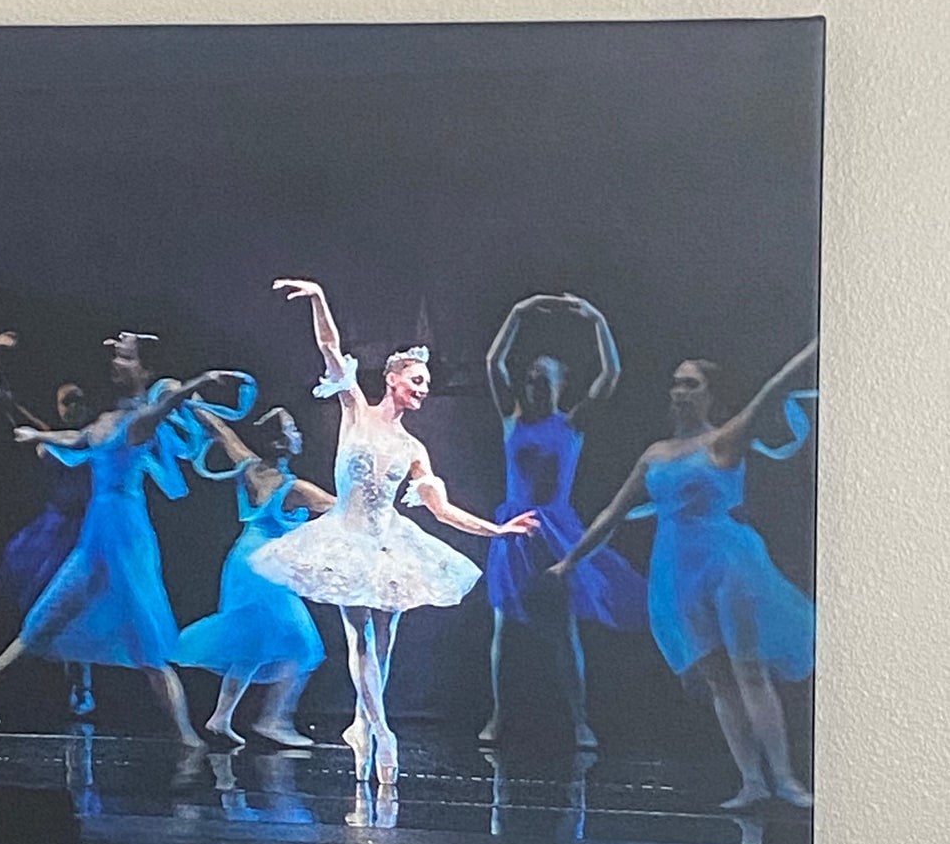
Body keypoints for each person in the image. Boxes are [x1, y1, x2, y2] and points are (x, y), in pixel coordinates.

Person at [251, 279, 538, 787]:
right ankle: (383, 733)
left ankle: (362, 726)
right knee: (358, 636)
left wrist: (496, 529)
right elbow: (330, 348)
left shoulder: (413, 449)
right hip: (345, 537)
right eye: (418, 380)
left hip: (389, 543)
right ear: (394, 379)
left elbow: (442, 510)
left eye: (427, 382)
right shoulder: (355, 410)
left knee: (383, 642)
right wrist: (320, 296)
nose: (425, 388)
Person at [0, 332, 250, 747]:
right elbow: (77, 439)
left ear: (144, 370)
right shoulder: (108, 420)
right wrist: (40, 437)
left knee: (148, 647)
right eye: (117, 357)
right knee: (48, 614)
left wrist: (199, 382)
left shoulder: (140, 418)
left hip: (125, 533)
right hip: (96, 534)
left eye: (125, 358)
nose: (116, 363)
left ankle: (185, 734)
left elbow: (165, 405)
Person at [550, 340, 818, 808]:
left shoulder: (725, 438)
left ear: (710, 394)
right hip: (677, 569)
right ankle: (751, 781)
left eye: (691, 383)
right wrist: (570, 560)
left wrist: (820, 343)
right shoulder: (656, 454)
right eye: (676, 383)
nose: (680, 391)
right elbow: (612, 514)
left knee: (749, 669)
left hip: (727, 563)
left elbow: (776, 387)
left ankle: (787, 780)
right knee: (717, 678)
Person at [481, 293, 648, 747]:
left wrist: (596, 318)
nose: (534, 385)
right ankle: (499, 716)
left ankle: (579, 722)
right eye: (530, 379)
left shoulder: (572, 424)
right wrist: (517, 311)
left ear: (559, 385)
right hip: (515, 530)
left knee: (562, 631)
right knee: (505, 628)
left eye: (543, 379)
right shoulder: (511, 420)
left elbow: (610, 374)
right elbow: (493, 362)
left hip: (557, 530)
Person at [174, 405, 334, 746]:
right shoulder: (296, 488)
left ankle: (221, 717)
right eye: (293, 429)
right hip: (267, 566)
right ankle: (275, 719)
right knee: (303, 644)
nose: (299, 434)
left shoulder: (248, 466)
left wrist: (188, 399)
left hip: (243, 560)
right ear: (280, 443)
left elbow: (220, 430)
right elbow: (340, 509)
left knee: (254, 642)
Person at [0, 331, 98, 716]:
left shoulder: (98, 435)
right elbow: (8, 404)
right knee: (51, 607)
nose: (73, 407)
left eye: (79, 400)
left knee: (82, 607)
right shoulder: (49, 436)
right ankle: (46, 683)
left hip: (90, 530)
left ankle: (81, 684)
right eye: (66, 402)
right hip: (53, 531)